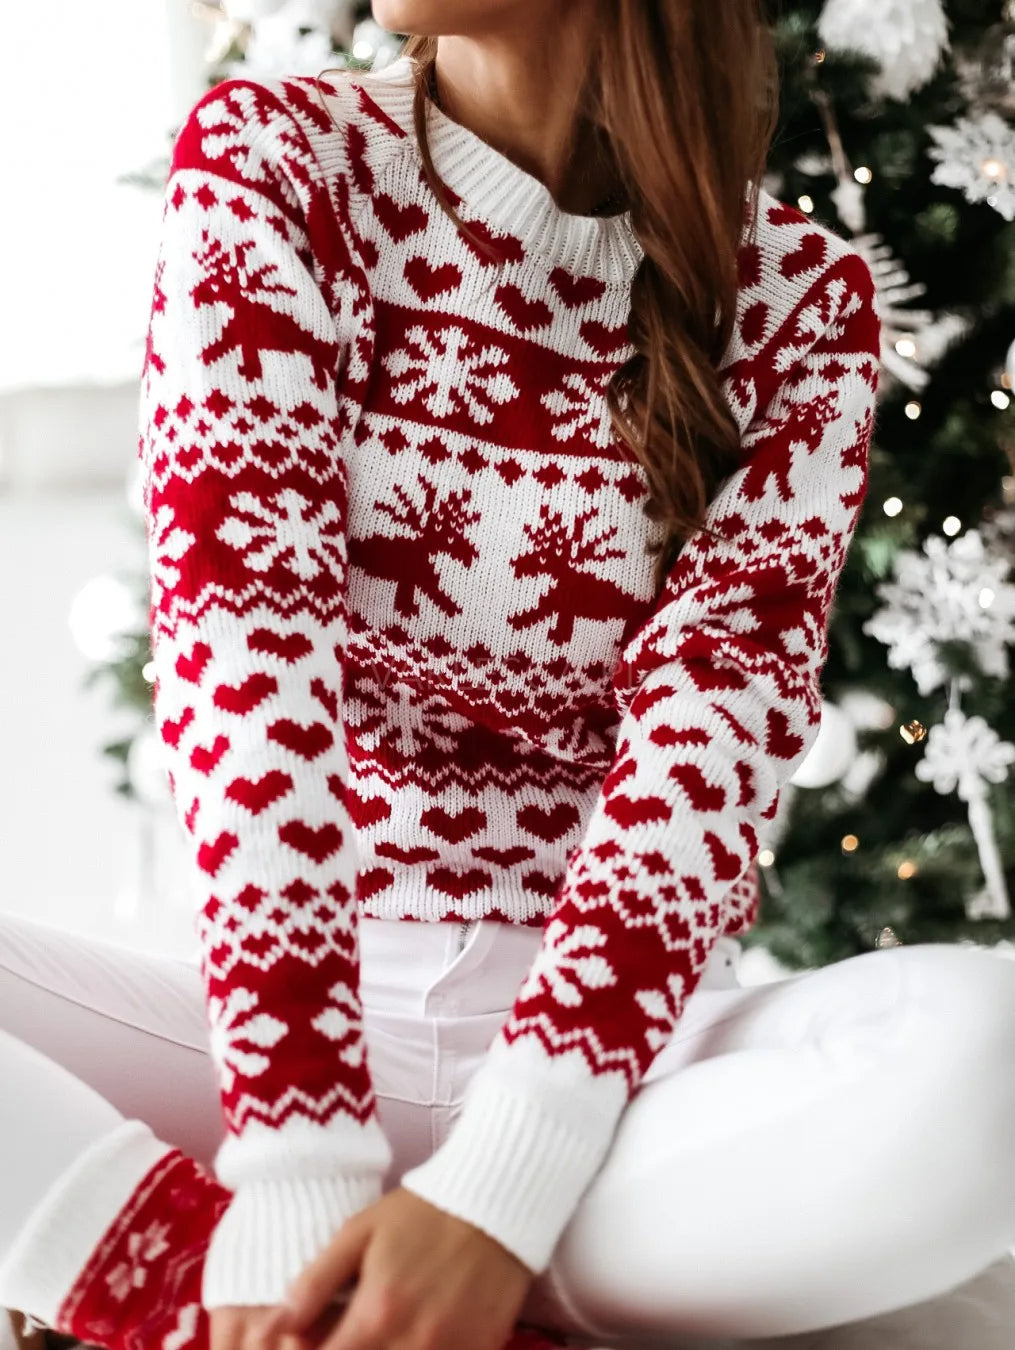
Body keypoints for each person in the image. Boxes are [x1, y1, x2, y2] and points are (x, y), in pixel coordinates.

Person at [2, 2, 1015, 1349]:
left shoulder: (799, 304)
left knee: (989, 1059)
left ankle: (429, 1296)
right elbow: (243, 658)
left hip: (614, 1100)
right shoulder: (277, 164)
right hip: (278, 1049)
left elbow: (702, 768)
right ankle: (239, 1304)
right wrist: (297, 1173)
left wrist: (496, 1196)